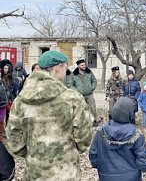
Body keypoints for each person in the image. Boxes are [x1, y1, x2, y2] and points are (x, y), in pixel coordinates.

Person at [6, 51, 93, 181]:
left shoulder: (20, 100)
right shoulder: (73, 98)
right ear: (58, 68)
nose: (66, 70)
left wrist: (35, 152)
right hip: (67, 172)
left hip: (35, 173)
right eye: (65, 67)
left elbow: (14, 139)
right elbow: (84, 138)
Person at [89, 97, 146, 181]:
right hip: (131, 177)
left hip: (106, 176)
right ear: (130, 114)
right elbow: (143, 164)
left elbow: (94, 156)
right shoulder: (136, 135)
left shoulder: (101, 132)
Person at [71, 59, 98, 126]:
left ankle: (94, 122)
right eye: (82, 65)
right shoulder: (74, 75)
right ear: (78, 66)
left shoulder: (89, 73)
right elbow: (70, 85)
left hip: (89, 95)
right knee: (81, 110)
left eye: (84, 65)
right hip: (80, 96)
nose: (84, 66)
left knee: (92, 108)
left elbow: (94, 81)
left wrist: (92, 88)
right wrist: (77, 91)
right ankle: (82, 124)